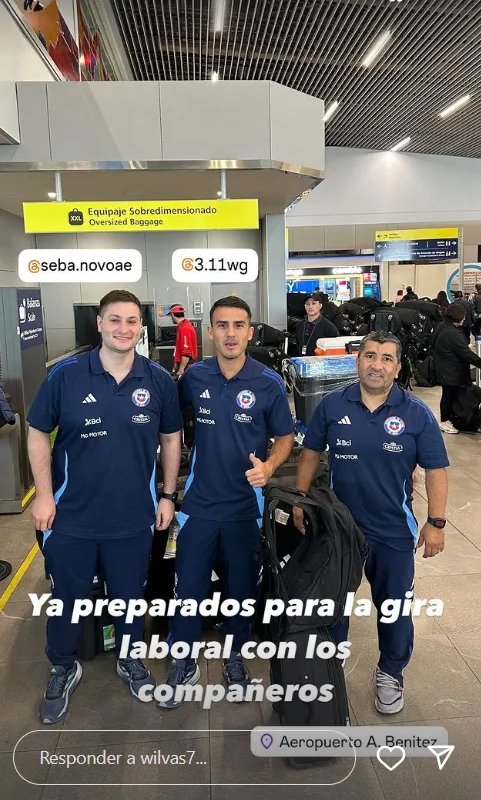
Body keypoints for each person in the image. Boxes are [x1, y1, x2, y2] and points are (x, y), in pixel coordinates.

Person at [27, 289, 183, 724]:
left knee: (131, 599)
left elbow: (172, 438)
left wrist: (167, 495)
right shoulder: (67, 376)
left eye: (132, 321)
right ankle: (63, 665)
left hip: (134, 517)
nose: (123, 329)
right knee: (68, 601)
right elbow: (38, 431)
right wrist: (42, 494)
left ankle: (130, 660)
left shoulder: (158, 380)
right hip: (71, 517)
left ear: (141, 327)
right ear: (99, 323)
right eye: (115, 320)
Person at [294, 330, 449, 714]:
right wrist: (300, 500)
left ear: (397, 368)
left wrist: (436, 522)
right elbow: (310, 454)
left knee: (394, 607)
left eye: (386, 358)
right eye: (370, 355)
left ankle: (391, 671)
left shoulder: (416, 413)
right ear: (357, 360)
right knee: (333, 606)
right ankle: (331, 666)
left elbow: (436, 469)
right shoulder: (332, 404)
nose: (376, 364)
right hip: (339, 529)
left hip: (393, 531)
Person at [158, 296, 295, 708]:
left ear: (250, 332)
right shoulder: (194, 377)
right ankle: (182, 659)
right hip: (198, 505)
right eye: (222, 325)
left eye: (239, 325)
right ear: (211, 331)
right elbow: (167, 423)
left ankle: (234, 655)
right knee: (189, 589)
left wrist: (269, 467)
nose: (231, 333)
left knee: (240, 590)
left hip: (245, 509)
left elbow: (285, 438)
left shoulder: (268, 383)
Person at [432, 302, 481, 434]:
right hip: (452, 370)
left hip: (445, 368)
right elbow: (466, 353)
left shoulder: (442, 326)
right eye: (463, 316)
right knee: (449, 395)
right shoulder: (452, 333)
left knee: (449, 395)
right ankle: (445, 421)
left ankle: (450, 419)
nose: (465, 319)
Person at [167, 304, 198, 378]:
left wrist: (181, 370)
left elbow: (186, 352)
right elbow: (179, 348)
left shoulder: (185, 328)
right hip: (183, 364)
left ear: (172, 315)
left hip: (186, 365)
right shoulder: (182, 326)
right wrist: (176, 364)